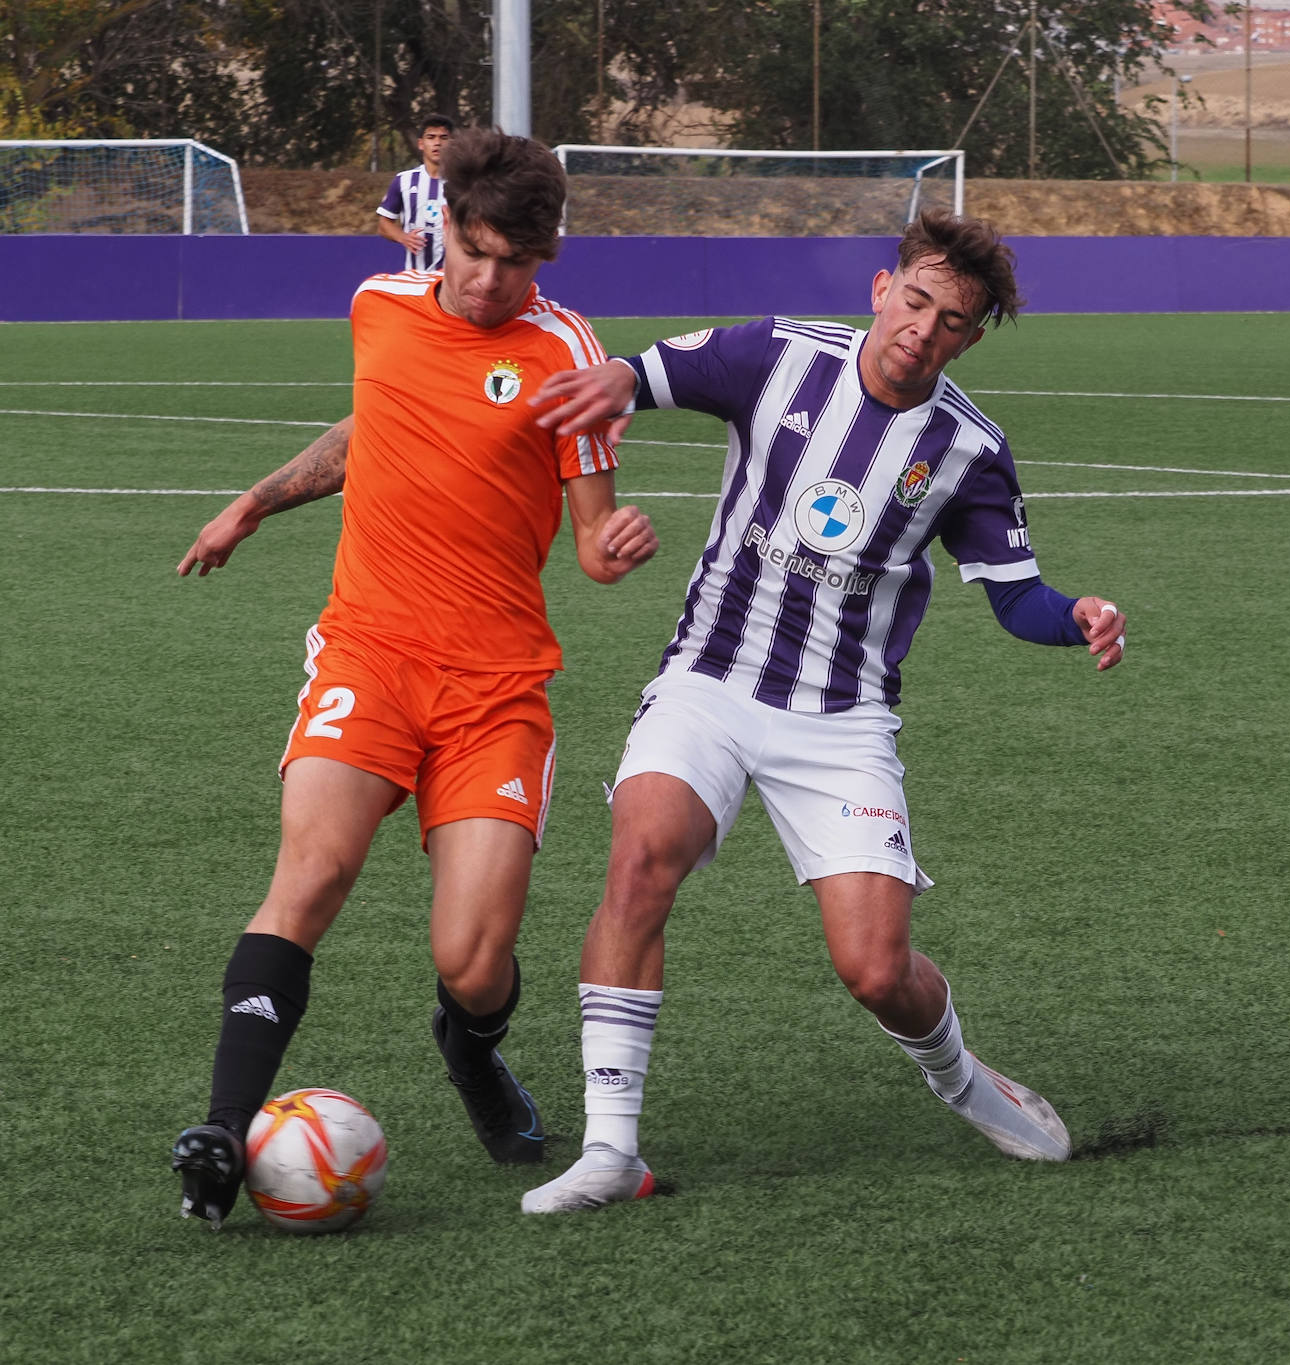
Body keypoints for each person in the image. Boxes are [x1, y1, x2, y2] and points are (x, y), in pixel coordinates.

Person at [518, 209, 1129, 1214]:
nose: (922, 331)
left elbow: (1016, 596)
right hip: (708, 681)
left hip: (840, 720)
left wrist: (1081, 615)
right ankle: (611, 1150)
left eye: (950, 322)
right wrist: (616, 382)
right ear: (884, 288)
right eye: (916, 302)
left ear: (970, 338)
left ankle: (964, 1081)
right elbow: (647, 372)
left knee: (876, 968)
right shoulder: (777, 356)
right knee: (641, 857)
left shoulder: (969, 450)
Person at [169, 126, 657, 1229]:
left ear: (547, 258)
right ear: (445, 228)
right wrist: (253, 504)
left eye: (516, 263)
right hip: (368, 654)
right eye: (476, 251)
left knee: (474, 960)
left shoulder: (569, 352)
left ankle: (471, 1043)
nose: (490, 281)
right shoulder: (377, 304)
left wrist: (614, 544)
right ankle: (219, 1128)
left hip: (494, 688)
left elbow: (588, 542)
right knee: (312, 874)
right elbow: (370, 425)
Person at [376, 113, 455, 271]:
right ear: (421, 144)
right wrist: (403, 237)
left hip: (452, 277)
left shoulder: (463, 182)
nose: (437, 143)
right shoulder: (404, 180)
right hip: (416, 276)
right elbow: (383, 224)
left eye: (443, 137)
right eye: (431, 137)